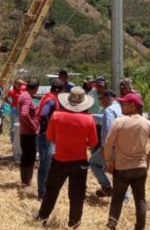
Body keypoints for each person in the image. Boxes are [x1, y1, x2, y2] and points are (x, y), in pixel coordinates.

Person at [35, 87, 98, 228]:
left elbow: (50, 137)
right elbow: (93, 142)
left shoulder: (56, 116)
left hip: (60, 160)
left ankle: (42, 217)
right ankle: (74, 223)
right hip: (79, 161)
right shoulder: (89, 119)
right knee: (77, 194)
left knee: (51, 190)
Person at [104, 92, 150, 230]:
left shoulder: (119, 122)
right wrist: (148, 158)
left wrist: (108, 160)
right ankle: (140, 227)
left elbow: (108, 143)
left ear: (133, 105)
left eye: (124, 103)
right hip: (140, 168)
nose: (121, 106)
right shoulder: (146, 123)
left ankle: (112, 224)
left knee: (117, 198)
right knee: (140, 199)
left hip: (122, 168)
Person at [90, 89, 122, 198]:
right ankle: (124, 197)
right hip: (122, 145)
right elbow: (104, 118)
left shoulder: (109, 110)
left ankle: (106, 187)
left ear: (107, 98)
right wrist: (91, 116)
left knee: (93, 162)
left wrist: (104, 148)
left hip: (111, 146)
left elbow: (108, 129)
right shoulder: (121, 108)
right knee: (119, 171)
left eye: (101, 99)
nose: (100, 102)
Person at [37, 79, 62, 199]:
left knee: (45, 165)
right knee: (45, 166)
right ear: (60, 91)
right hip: (46, 137)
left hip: (42, 135)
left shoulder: (46, 97)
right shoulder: (52, 100)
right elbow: (43, 114)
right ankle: (42, 193)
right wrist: (49, 127)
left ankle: (43, 191)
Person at [18, 78, 39, 187]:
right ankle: (26, 182)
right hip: (28, 133)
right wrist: (33, 125)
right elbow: (24, 114)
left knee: (27, 156)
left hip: (25, 132)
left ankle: (26, 181)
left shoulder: (24, 95)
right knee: (29, 156)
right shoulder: (26, 97)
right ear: (35, 88)